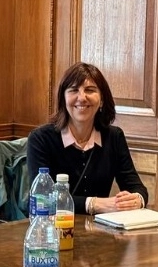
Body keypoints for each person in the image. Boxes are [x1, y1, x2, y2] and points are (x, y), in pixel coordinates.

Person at [26, 62, 149, 215]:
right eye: (73, 90)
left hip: (99, 228)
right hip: (54, 227)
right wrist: (93, 204)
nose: (82, 98)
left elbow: (137, 187)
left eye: (90, 90)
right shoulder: (41, 139)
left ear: (102, 99)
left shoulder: (114, 137)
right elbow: (41, 199)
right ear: (63, 98)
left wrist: (136, 199)